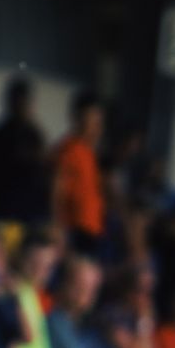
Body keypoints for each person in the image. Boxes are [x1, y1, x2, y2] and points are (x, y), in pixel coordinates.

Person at [0, 76, 51, 224]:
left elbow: (42, 162)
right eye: (18, 101)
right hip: (4, 208)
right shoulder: (1, 133)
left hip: (29, 209)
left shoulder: (34, 133)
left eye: (25, 101)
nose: (22, 106)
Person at [52, 91, 106, 258]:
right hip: (74, 229)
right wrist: (58, 228)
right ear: (78, 118)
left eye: (99, 120)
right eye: (92, 119)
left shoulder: (90, 153)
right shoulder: (69, 149)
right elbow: (57, 189)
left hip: (91, 229)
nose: (97, 126)